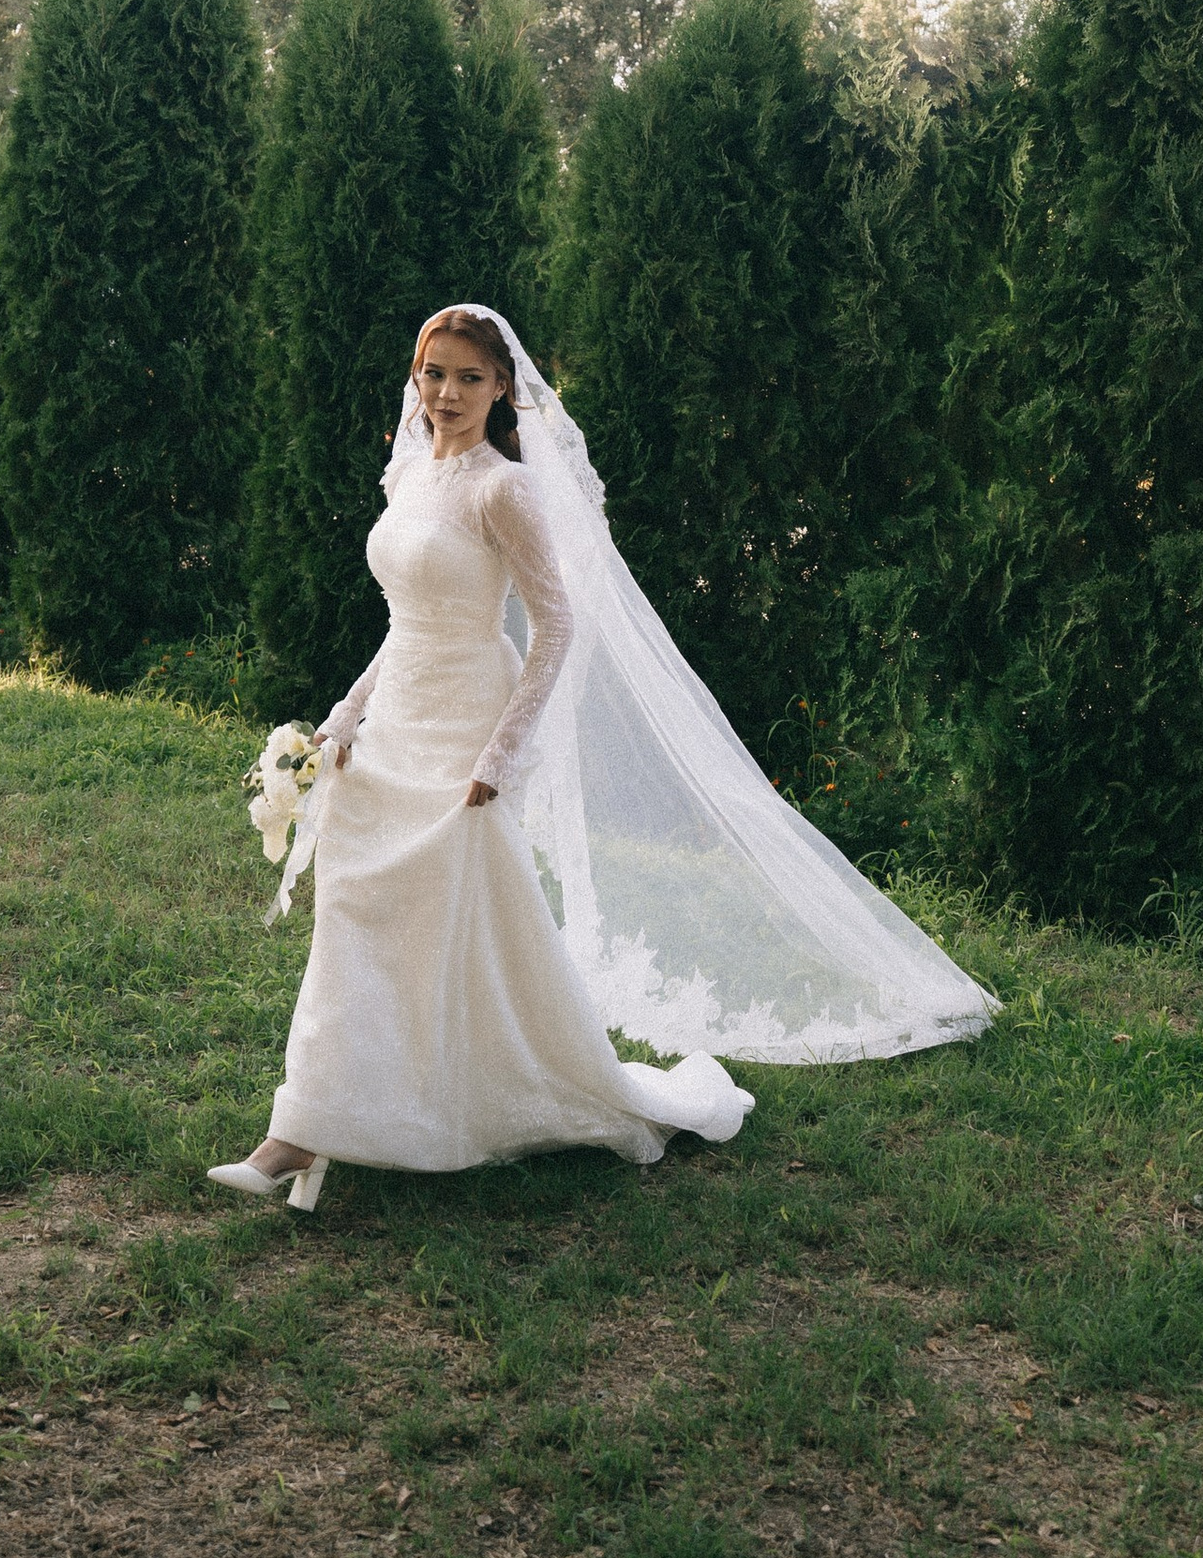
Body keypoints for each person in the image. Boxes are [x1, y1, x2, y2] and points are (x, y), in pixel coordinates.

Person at [208, 305, 991, 1210]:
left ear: (502, 388)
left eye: (469, 378)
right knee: (357, 909)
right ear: (415, 379)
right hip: (395, 726)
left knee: (445, 922)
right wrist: (345, 718)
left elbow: (555, 626)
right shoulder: (412, 475)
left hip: (466, 730)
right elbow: (405, 623)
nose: (448, 394)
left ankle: (318, 1133)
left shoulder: (503, 490)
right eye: (434, 374)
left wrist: (501, 753)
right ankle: (314, 1125)